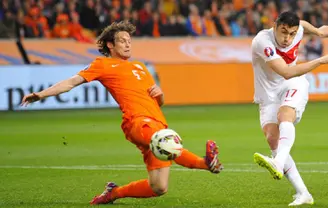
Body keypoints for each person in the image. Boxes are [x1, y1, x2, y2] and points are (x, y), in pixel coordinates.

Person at [21, 21, 223, 205]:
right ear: (111, 45)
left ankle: (114, 193)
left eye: (129, 41)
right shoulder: (102, 64)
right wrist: (41, 94)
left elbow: (158, 102)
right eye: (122, 41)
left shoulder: (140, 66)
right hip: (137, 123)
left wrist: (160, 94)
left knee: (159, 187)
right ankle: (206, 163)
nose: (128, 44)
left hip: (158, 124)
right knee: (164, 142)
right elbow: (71, 82)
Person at [251, 11, 328, 206]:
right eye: (283, 32)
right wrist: (321, 60)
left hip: (293, 84)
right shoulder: (263, 41)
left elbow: (302, 24)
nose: (287, 38)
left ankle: (277, 162)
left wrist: (318, 31)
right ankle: (304, 194)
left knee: (285, 115)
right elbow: (285, 71)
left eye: (292, 34)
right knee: (271, 137)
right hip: (268, 94)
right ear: (275, 25)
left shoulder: (298, 30)